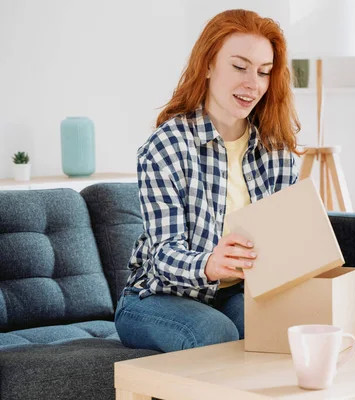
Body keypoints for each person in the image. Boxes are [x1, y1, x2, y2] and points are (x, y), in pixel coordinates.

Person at [114, 9, 301, 353]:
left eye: (263, 72)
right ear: (209, 65)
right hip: (157, 296)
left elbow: (284, 242)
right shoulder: (166, 146)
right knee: (214, 332)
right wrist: (209, 263)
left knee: (285, 329)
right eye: (240, 66)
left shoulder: (276, 151)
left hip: (232, 293)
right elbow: (164, 255)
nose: (252, 83)